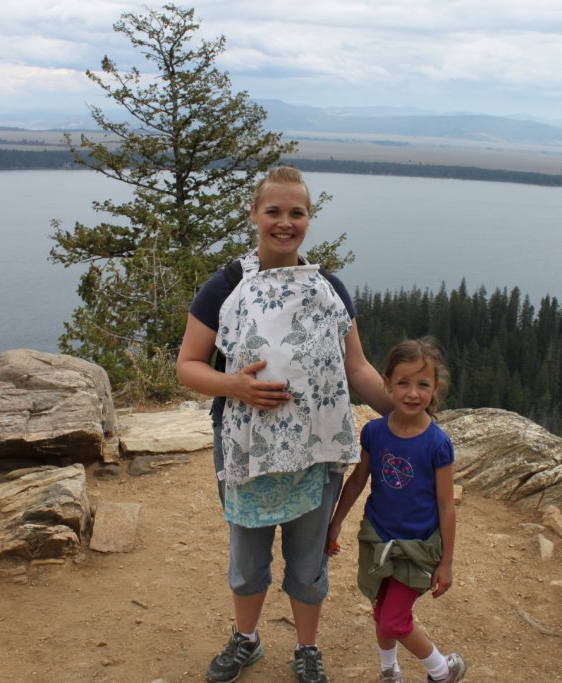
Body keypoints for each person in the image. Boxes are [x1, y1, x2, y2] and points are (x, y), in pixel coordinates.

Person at [176, 166, 392, 683]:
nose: (284, 222)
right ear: (254, 215)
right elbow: (188, 365)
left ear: (308, 220)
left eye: (296, 213)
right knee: (248, 557)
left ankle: (307, 647)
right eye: (273, 211)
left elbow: (355, 366)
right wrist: (237, 387)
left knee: (308, 558)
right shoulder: (225, 285)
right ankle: (246, 640)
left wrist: (406, 413)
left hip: (316, 448)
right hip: (246, 447)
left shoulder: (328, 288)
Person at [326, 338, 467, 683]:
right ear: (386, 384)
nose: (412, 393)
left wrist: (446, 561)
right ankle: (389, 671)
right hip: (378, 537)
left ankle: (443, 670)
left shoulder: (437, 443)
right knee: (382, 608)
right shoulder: (375, 433)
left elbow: (447, 505)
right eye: (403, 383)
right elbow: (359, 479)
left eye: (423, 385)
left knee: (393, 620)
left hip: (417, 547)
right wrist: (335, 524)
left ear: (435, 390)